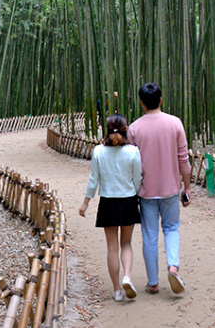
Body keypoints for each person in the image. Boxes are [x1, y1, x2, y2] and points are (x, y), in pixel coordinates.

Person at [127, 82, 191, 295]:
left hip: (146, 191)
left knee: (150, 234)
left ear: (142, 103)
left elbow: (132, 164)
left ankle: (153, 282)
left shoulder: (134, 128)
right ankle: (173, 266)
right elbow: (183, 158)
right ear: (161, 100)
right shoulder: (175, 123)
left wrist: (133, 189)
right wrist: (187, 187)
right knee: (172, 228)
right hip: (171, 188)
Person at [79, 114, 142, 302]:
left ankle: (116, 290)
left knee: (112, 247)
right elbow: (137, 178)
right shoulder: (133, 151)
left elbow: (93, 180)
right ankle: (127, 277)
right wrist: (136, 194)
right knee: (126, 244)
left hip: (108, 202)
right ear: (125, 130)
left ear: (106, 130)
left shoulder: (98, 151)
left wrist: (86, 202)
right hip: (128, 200)